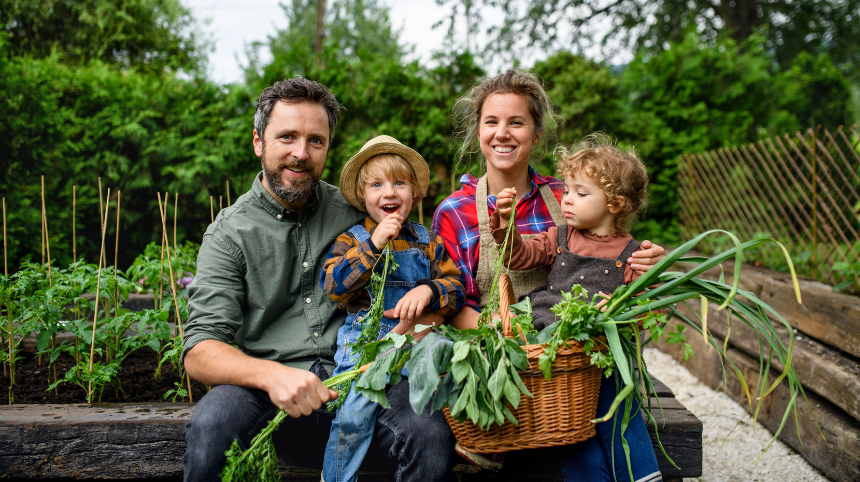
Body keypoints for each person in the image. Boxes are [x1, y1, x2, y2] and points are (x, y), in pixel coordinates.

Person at [181, 78, 456, 482]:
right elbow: (199, 351)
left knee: (428, 430)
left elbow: (427, 268)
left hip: (367, 374)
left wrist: (427, 314)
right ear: (259, 142)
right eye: (287, 137)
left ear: (328, 146)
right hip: (269, 391)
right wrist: (273, 375)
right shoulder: (230, 234)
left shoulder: (356, 211)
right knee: (213, 422)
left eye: (315, 140)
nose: (300, 153)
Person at [431, 70, 664, 481]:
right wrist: (512, 346)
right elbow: (454, 304)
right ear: (478, 130)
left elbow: (611, 252)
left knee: (582, 452)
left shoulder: (568, 196)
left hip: (570, 378)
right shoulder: (454, 211)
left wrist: (645, 263)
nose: (503, 133)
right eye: (491, 122)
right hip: (500, 370)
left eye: (516, 122)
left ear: (536, 134)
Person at [320, 135, 466, 482]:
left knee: (446, 392)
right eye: (376, 184)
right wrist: (373, 245)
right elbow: (333, 287)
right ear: (363, 196)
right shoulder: (353, 239)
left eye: (399, 183)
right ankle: (336, 477)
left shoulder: (428, 241)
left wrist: (431, 290)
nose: (389, 192)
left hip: (415, 344)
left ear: (415, 194)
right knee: (353, 414)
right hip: (365, 348)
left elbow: (456, 289)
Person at [492, 134, 650, 327]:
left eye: (581, 193)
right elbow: (516, 257)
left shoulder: (632, 256)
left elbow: (651, 308)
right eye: (566, 190)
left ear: (615, 204)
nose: (567, 199)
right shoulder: (558, 238)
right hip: (545, 327)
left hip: (595, 345)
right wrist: (506, 221)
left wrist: (620, 309)